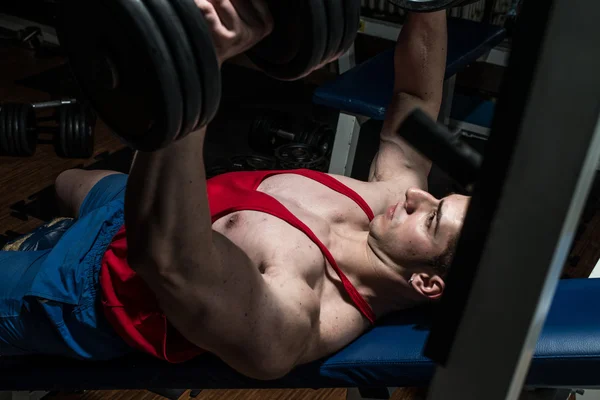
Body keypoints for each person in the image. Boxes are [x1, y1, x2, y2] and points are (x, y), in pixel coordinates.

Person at [0, 0, 469, 380]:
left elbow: (166, 258)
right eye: (437, 196)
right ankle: (51, 235)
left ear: (427, 283)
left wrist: (197, 65)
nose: (416, 196)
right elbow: (414, 98)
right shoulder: (390, 201)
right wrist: (428, 5)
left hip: (84, 291)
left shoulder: (300, 312)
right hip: (132, 208)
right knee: (64, 183)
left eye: (431, 219)